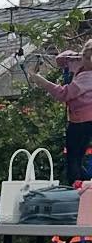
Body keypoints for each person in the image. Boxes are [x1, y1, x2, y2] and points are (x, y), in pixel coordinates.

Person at [30, 43, 92, 185]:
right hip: (79, 119)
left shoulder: (88, 77)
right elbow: (60, 60)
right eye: (85, 57)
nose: (86, 60)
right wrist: (72, 57)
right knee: (76, 155)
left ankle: (77, 187)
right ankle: (80, 184)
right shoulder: (83, 65)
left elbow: (64, 94)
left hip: (83, 121)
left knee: (74, 157)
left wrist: (41, 81)